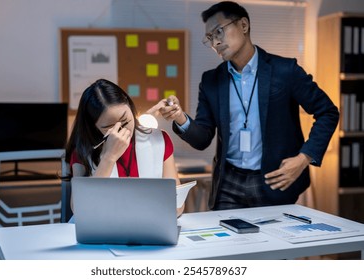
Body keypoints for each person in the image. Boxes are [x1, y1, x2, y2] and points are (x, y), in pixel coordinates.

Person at [147, 1, 339, 211]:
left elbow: (327, 112)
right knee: (225, 243)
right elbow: (202, 138)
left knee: (273, 243)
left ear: (244, 25)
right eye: (210, 38)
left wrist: (303, 159)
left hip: (273, 179)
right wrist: (179, 117)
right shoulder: (211, 81)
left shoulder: (285, 70)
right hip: (228, 182)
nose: (215, 42)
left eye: (219, 31)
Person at [65, 78, 184, 216]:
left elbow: (178, 205)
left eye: (125, 120)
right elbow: (80, 210)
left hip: (149, 227)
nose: (121, 130)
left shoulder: (159, 140)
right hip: (105, 232)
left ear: (130, 107)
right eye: (109, 127)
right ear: (94, 127)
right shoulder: (83, 151)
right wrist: (109, 157)